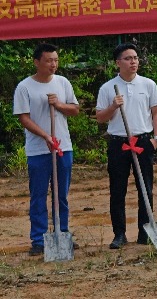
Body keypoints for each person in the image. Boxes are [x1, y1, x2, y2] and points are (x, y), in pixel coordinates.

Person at [13, 43, 80, 256]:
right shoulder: (24, 87)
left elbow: (75, 109)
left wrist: (59, 105)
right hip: (38, 150)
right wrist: (45, 136)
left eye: (56, 60)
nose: (53, 64)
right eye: (49, 60)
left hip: (63, 147)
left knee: (61, 195)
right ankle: (39, 239)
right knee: (39, 195)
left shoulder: (63, 82)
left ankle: (62, 233)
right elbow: (24, 118)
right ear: (37, 62)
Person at [95, 43, 157, 249]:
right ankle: (119, 234)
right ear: (118, 63)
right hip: (119, 143)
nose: (133, 62)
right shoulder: (108, 88)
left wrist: (156, 138)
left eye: (135, 58)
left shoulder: (148, 84)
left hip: (142, 141)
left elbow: (156, 111)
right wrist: (113, 106)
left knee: (146, 188)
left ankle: (145, 232)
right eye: (128, 58)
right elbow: (100, 117)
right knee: (118, 190)